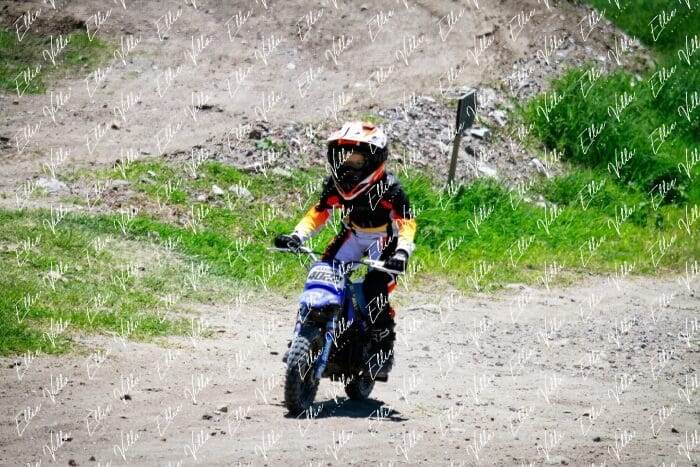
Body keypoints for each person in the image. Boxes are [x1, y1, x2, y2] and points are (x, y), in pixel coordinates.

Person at [275, 121, 416, 381]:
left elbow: (407, 222)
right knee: (322, 274)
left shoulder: (391, 189)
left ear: (374, 160)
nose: (348, 166)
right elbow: (320, 212)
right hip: (353, 233)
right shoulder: (335, 185)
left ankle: (383, 351)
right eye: (343, 158)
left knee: (375, 289)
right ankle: (304, 335)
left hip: (385, 239)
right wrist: (297, 235)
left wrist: (402, 253)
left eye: (356, 160)